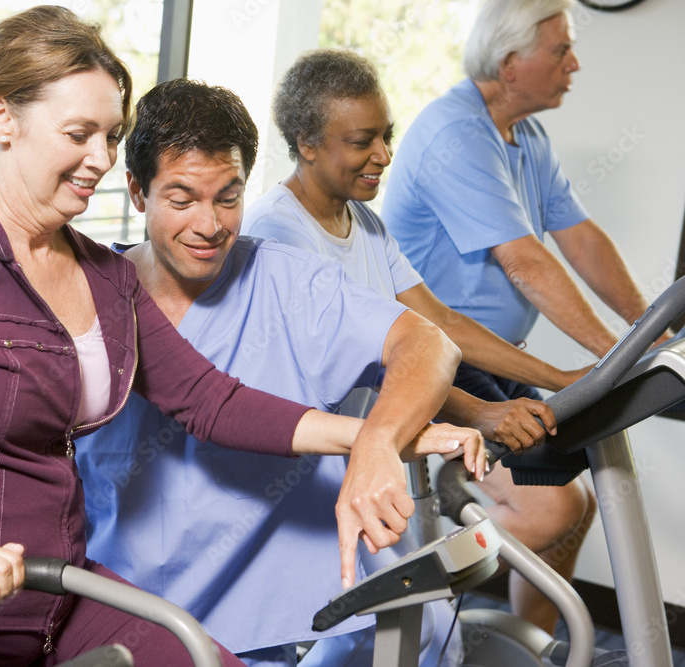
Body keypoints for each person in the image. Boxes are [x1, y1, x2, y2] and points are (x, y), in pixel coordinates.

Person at [0, 7, 479, 665]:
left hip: (46, 596)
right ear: (1, 116)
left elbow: (213, 400)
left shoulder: (100, 274)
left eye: (110, 135)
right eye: (78, 132)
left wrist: (377, 436)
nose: (98, 156)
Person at [76, 78, 500, 667]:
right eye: (182, 199)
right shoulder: (82, 296)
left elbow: (427, 343)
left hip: (281, 624)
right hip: (128, 615)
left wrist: (379, 441)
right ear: (136, 192)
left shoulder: (287, 283)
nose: (209, 224)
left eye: (228, 196)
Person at [242, 45, 595, 639]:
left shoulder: (367, 223)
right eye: (362, 141)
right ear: (306, 143)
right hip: (320, 469)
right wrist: (481, 413)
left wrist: (564, 378)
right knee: (406, 627)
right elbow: (369, 368)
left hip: (385, 448)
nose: (383, 155)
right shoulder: (279, 237)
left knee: (428, 631)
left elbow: (440, 327)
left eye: (386, 135)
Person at [381, 0, 672, 634]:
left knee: (578, 506)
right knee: (548, 510)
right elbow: (526, 264)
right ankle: (405, 622)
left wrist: (652, 328)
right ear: (510, 64)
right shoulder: (455, 133)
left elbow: (580, 238)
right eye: (561, 49)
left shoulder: (525, 136)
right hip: (431, 357)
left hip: (491, 354)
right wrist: (616, 358)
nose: (575, 62)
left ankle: (537, 642)